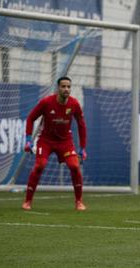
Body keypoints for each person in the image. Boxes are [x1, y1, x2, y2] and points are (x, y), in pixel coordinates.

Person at [22, 76, 87, 211]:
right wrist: (28, 139)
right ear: (58, 88)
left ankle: (79, 202)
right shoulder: (46, 102)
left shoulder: (74, 104)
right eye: (63, 86)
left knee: (74, 166)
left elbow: (81, 125)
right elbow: (30, 118)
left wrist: (82, 148)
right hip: (46, 140)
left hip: (65, 142)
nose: (66, 89)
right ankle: (28, 201)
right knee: (40, 165)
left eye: (68, 87)